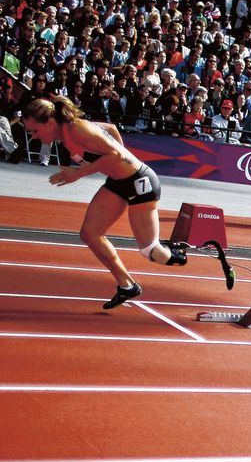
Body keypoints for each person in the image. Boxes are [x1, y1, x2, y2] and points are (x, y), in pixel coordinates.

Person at [21, 96, 231, 309]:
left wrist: (80, 173)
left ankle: (186, 249)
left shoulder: (77, 130)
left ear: (49, 122)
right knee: (90, 234)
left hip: (140, 182)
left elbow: (116, 155)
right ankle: (127, 286)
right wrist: (119, 166)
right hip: (118, 183)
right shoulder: (68, 131)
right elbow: (111, 129)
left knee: (151, 252)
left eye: (35, 131)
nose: (33, 137)